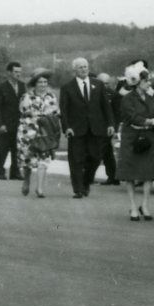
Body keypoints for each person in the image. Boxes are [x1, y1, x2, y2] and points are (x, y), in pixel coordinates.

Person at [115, 60, 154, 220]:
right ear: (138, 82)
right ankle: (133, 206)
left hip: (147, 137)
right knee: (130, 173)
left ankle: (145, 205)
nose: (149, 83)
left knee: (148, 173)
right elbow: (132, 116)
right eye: (146, 80)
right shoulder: (127, 98)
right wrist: (150, 121)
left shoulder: (150, 98)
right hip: (131, 137)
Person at [57, 56, 103, 199]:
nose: (84, 69)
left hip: (95, 128)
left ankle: (86, 182)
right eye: (80, 67)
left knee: (95, 158)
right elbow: (63, 110)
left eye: (85, 66)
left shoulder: (98, 84)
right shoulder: (67, 87)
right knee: (76, 159)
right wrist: (66, 127)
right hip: (76, 129)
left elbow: (105, 106)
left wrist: (110, 124)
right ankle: (78, 189)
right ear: (74, 70)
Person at [15, 72, 60, 198]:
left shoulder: (51, 96)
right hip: (28, 131)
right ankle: (26, 180)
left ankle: (40, 189)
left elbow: (56, 112)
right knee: (28, 159)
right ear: (34, 84)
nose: (43, 85)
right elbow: (23, 110)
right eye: (40, 82)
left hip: (45, 131)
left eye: (45, 82)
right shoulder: (27, 96)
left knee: (44, 159)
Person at [0, 61, 25, 180]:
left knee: (17, 150)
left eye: (20, 72)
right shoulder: (0, 88)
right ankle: (0, 171)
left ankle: (15, 172)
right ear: (9, 72)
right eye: (16, 72)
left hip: (19, 124)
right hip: (5, 124)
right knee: (3, 149)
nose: (18, 74)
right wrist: (0, 124)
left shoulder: (22, 86)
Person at [94, 72, 124, 185]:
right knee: (107, 153)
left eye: (106, 83)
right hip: (95, 128)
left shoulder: (114, 95)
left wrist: (115, 129)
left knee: (98, 152)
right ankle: (113, 177)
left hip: (107, 129)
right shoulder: (92, 94)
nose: (104, 86)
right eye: (102, 83)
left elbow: (117, 114)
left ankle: (88, 175)